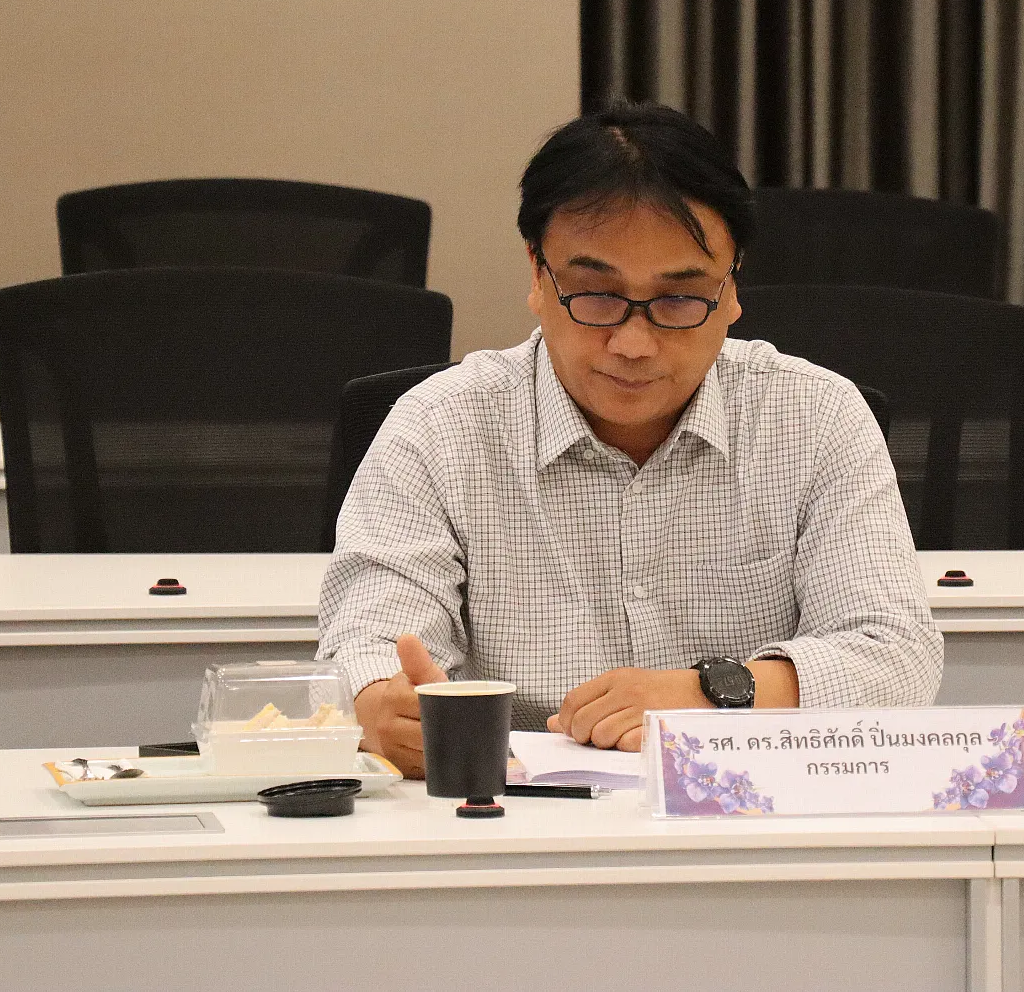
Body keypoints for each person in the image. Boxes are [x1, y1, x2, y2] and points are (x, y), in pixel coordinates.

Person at [317, 101, 941, 777]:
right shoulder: (440, 425)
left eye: (679, 300)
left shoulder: (815, 417)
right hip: (515, 810)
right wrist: (379, 703)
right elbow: (368, 643)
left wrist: (713, 693)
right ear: (537, 275)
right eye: (596, 295)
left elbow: (897, 655)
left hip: (745, 811)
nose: (633, 344)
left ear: (732, 289)